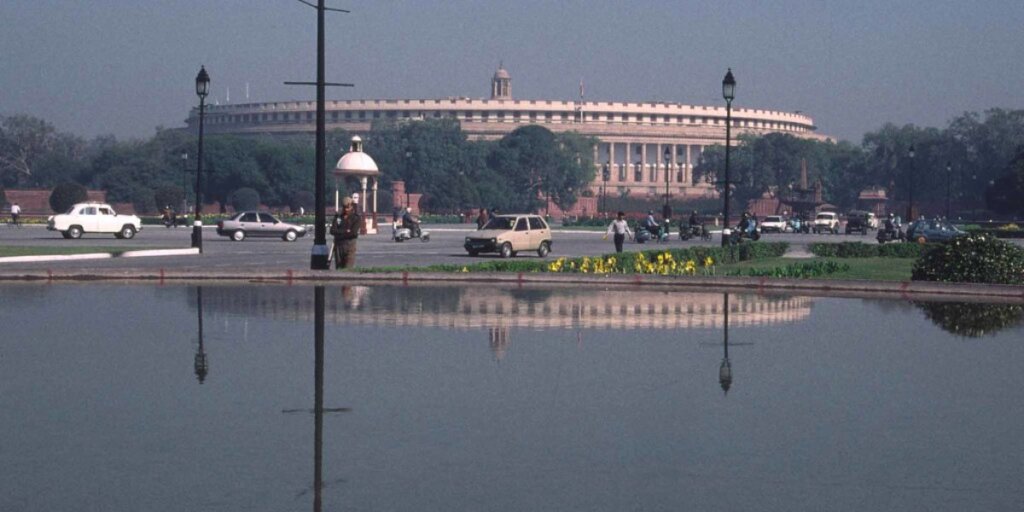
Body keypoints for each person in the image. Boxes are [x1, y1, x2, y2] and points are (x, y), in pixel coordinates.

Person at [330, 196, 362, 269]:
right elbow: (332, 230)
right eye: (344, 207)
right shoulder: (338, 217)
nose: (346, 209)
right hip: (339, 245)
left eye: (348, 207)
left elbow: (353, 233)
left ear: (352, 207)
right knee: (339, 268)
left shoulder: (356, 218)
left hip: (350, 245)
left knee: (348, 268)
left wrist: (339, 233)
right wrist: (345, 231)